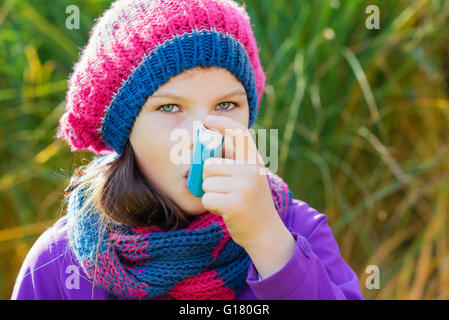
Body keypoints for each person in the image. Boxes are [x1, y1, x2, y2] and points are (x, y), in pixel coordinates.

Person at [11, 0, 363, 300]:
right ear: (125, 130)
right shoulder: (60, 262)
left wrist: (267, 240)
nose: (202, 136)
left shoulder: (297, 228)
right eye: (169, 108)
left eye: (226, 105)